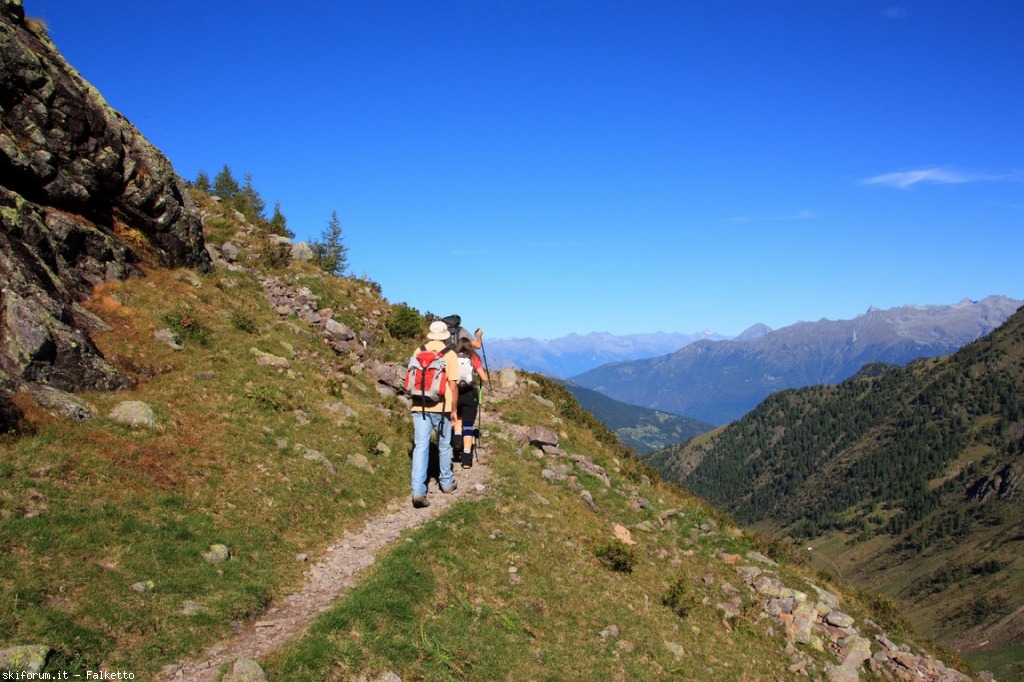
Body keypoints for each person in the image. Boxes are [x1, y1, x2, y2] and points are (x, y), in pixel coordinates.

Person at [409, 320, 460, 508]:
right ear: (445, 335)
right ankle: (446, 482)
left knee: (420, 446)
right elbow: (453, 387)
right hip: (442, 405)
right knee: (444, 446)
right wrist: (454, 410)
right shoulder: (450, 354)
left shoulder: (418, 350)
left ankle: (417, 490)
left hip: (419, 404)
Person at [452, 338, 489, 468]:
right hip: (470, 394)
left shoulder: (452, 356)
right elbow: (484, 378)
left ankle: (457, 440)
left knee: (457, 417)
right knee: (468, 425)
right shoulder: (473, 357)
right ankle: (467, 458)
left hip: (454, 392)